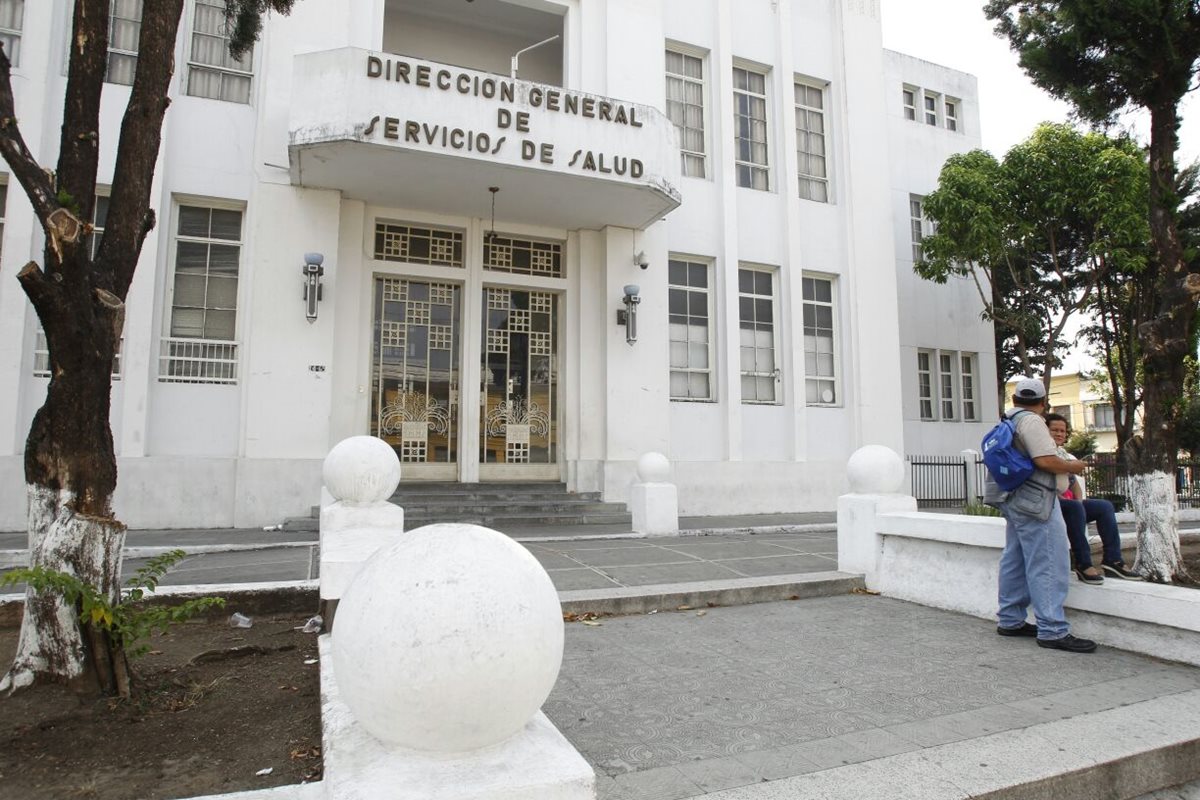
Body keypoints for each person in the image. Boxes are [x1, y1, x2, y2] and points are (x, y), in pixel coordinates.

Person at [984, 378, 1096, 653]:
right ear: (1044, 402)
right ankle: (1053, 629)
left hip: (1013, 497)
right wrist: (1075, 465)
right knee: (1048, 560)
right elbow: (1045, 461)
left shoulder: (1007, 418)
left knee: (1016, 557)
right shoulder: (1032, 422)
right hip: (1036, 500)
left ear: (1014, 399)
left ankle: (1010, 619)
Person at [1044, 413, 1141, 584]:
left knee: (1104, 507)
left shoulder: (1063, 454)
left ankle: (1112, 560)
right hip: (1047, 504)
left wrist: (1079, 501)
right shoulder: (1044, 453)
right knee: (1074, 508)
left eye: (1062, 431)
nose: (1059, 434)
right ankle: (1083, 563)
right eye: (1054, 430)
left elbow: (1074, 483)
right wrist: (1073, 504)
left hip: (1068, 506)